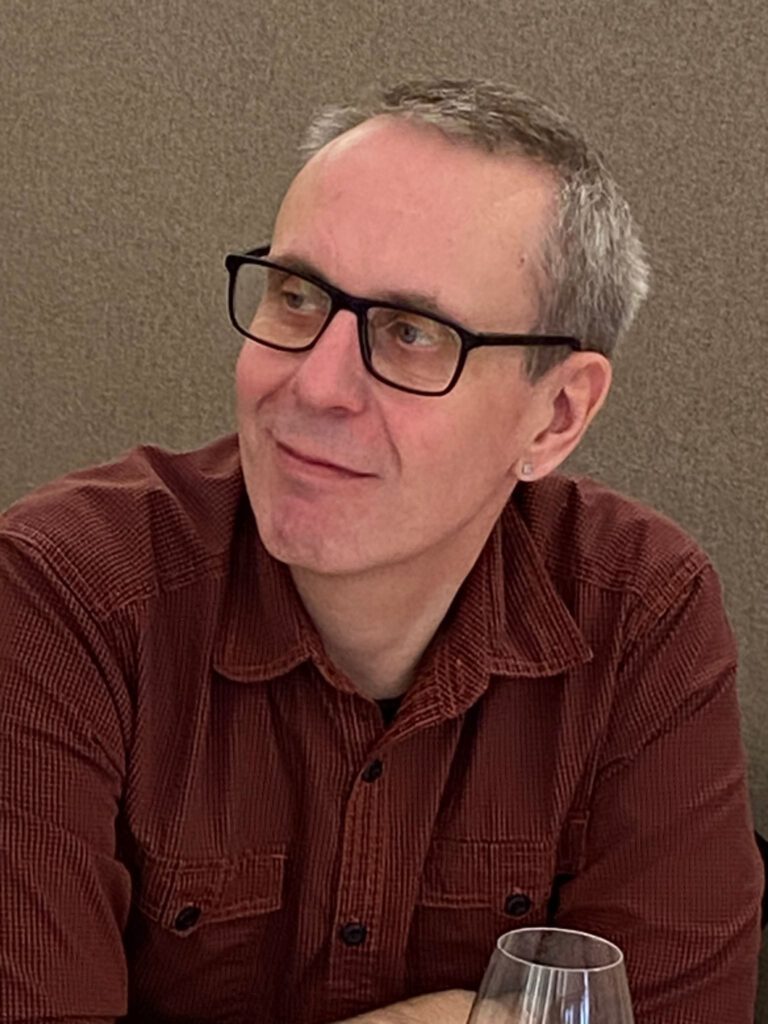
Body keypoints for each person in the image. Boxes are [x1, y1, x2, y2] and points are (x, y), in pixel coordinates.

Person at [0, 77, 762, 1024]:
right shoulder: (63, 594)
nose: (315, 384)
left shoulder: (640, 612)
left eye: (410, 333)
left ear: (557, 415)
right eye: (296, 296)